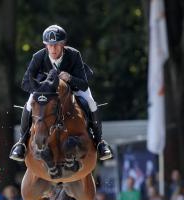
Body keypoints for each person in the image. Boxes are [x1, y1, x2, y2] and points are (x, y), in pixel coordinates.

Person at [9, 24, 113, 162]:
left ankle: (99, 142)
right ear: (45, 45)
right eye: (50, 45)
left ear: (63, 44)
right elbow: (25, 83)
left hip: (73, 88)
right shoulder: (38, 57)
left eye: (56, 45)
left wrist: (70, 78)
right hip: (46, 92)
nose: (53, 49)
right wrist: (42, 86)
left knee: (91, 102)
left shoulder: (74, 55)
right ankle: (22, 143)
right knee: (29, 104)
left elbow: (84, 83)